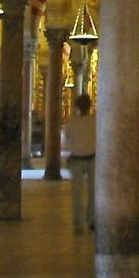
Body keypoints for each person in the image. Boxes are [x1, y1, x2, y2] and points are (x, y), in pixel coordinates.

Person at [62, 94, 97, 234]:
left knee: (82, 193)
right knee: (89, 192)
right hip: (85, 159)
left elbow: (66, 140)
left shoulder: (72, 122)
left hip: (84, 158)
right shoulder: (94, 122)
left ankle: (84, 221)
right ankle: (88, 221)